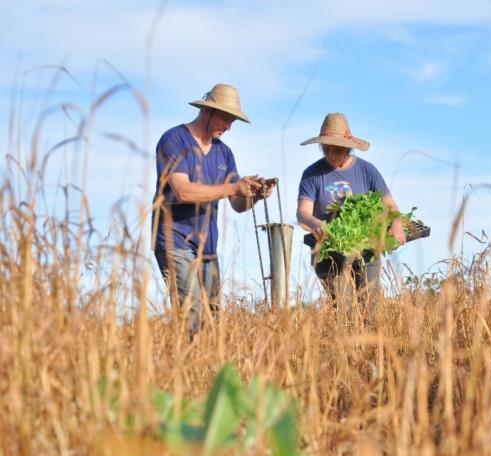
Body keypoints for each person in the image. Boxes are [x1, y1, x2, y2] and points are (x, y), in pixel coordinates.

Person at [151, 83, 274, 335]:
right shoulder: (174, 140)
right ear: (207, 111)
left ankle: (205, 371)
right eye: (225, 118)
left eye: (232, 121)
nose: (228, 126)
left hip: (207, 246)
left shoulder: (224, 153)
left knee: (212, 318)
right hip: (174, 238)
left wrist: (255, 195)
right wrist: (233, 188)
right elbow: (182, 191)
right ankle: (185, 370)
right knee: (192, 313)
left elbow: (238, 205)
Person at [296, 112, 405, 299]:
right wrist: (316, 224)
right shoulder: (312, 174)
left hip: (366, 251)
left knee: (369, 306)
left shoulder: (367, 171)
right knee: (343, 310)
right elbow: (302, 213)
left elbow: (391, 207)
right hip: (328, 253)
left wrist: (396, 225)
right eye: (325, 149)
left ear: (347, 147)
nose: (330, 154)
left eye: (335, 150)